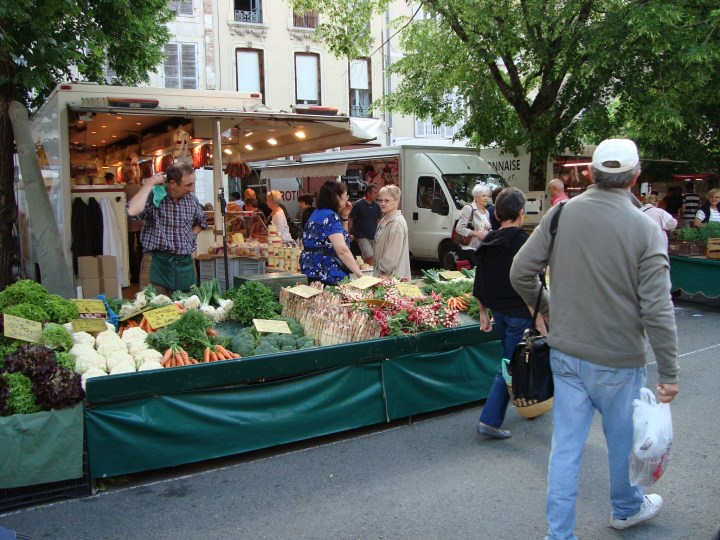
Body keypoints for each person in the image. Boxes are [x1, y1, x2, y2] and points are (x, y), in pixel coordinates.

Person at [509, 138, 679, 539]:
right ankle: (625, 508)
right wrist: (669, 371)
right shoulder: (646, 228)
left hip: (567, 353)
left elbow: (521, 271)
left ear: (590, 173)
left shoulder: (562, 214)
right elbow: (657, 308)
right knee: (623, 442)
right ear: (636, 177)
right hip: (619, 358)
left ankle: (560, 534)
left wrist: (547, 307)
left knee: (565, 449)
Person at [473, 187, 537, 439]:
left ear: (497, 214)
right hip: (521, 314)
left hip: (499, 313)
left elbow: (480, 281)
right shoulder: (523, 241)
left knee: (514, 361)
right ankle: (489, 421)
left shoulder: (488, 240)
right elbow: (532, 283)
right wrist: (540, 317)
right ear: (521, 213)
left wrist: (483, 312)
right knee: (510, 365)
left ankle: (532, 403)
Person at [127, 161, 208, 295]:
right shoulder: (154, 197)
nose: (192, 188)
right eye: (188, 185)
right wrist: (149, 183)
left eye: (193, 183)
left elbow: (202, 221)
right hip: (156, 264)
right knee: (153, 309)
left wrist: (191, 236)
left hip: (185, 264)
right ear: (172, 183)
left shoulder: (191, 199)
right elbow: (132, 212)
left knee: (187, 310)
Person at [300, 181, 364, 285]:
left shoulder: (317, 213)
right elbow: (342, 250)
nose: (347, 198)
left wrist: (344, 217)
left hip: (312, 269)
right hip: (328, 270)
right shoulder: (330, 216)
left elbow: (344, 242)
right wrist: (360, 275)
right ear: (337, 197)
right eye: (346, 195)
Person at [373, 185, 411, 280]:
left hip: (392, 278)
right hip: (383, 275)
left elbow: (391, 257)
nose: (382, 203)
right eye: (380, 200)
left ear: (396, 201)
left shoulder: (396, 222)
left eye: (387, 200)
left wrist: (381, 272)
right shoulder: (385, 219)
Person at [454, 184, 492, 266]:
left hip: (482, 248)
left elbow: (488, 230)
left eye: (487, 196)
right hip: (469, 249)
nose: (486, 198)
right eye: (483, 196)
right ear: (476, 197)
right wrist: (477, 233)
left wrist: (488, 230)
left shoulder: (487, 212)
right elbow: (459, 228)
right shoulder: (468, 208)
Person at [348, 185, 382, 265]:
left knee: (373, 257)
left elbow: (378, 221)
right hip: (361, 235)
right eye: (375, 193)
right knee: (369, 256)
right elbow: (350, 220)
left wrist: (379, 233)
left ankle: (367, 273)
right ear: (368, 194)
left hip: (373, 235)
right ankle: (369, 274)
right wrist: (348, 233)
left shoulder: (376, 206)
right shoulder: (358, 205)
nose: (377, 195)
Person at [122, 163, 144, 284]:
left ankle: (134, 273)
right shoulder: (139, 188)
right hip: (141, 222)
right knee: (141, 248)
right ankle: (142, 271)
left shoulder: (124, 189)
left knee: (130, 248)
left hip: (129, 223)